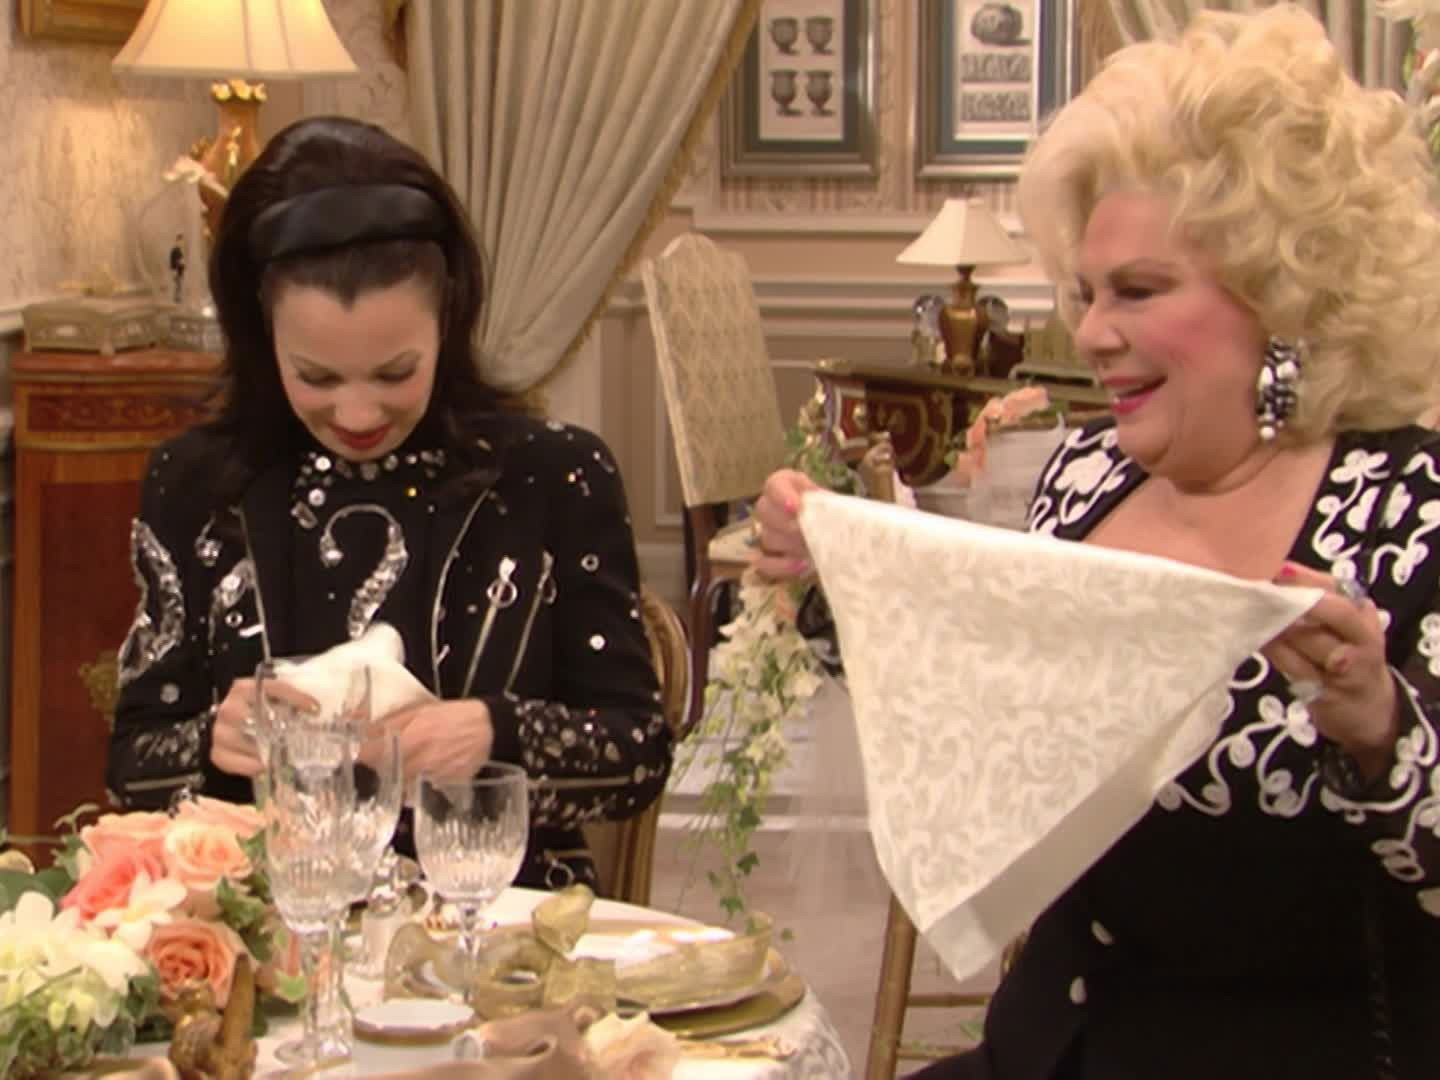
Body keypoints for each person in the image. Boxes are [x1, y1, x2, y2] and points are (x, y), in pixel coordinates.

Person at [756, 7, 1440, 1076]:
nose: (1093, 333)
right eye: (1085, 292)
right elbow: (989, 712)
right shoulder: (1084, 476)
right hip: (1050, 1050)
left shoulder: (1411, 509)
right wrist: (830, 577)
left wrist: (1380, 730)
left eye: (1138, 291)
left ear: (1280, 301)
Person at [107, 116, 672, 893]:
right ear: (262, 338)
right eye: (317, 377)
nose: (359, 414)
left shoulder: (552, 474)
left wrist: (495, 733)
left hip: (503, 929)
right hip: (266, 927)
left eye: (396, 372)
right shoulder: (196, 482)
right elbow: (131, 767)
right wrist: (213, 739)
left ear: (449, 321)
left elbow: (638, 752)